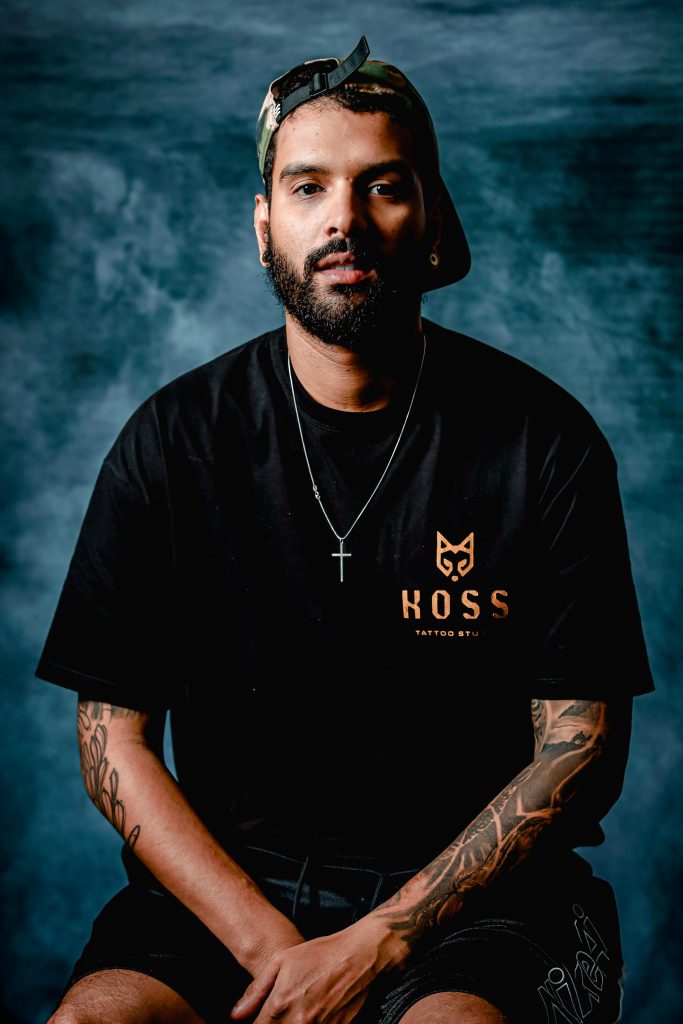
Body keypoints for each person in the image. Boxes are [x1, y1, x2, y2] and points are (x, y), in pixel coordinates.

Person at [36, 35, 655, 1024]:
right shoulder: (172, 442)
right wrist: (276, 952)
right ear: (264, 226)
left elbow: (577, 751)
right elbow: (113, 740)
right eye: (308, 187)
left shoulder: (543, 443)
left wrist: (378, 944)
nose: (343, 220)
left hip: (488, 906)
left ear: (431, 218)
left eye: (383, 186)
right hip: (232, 896)